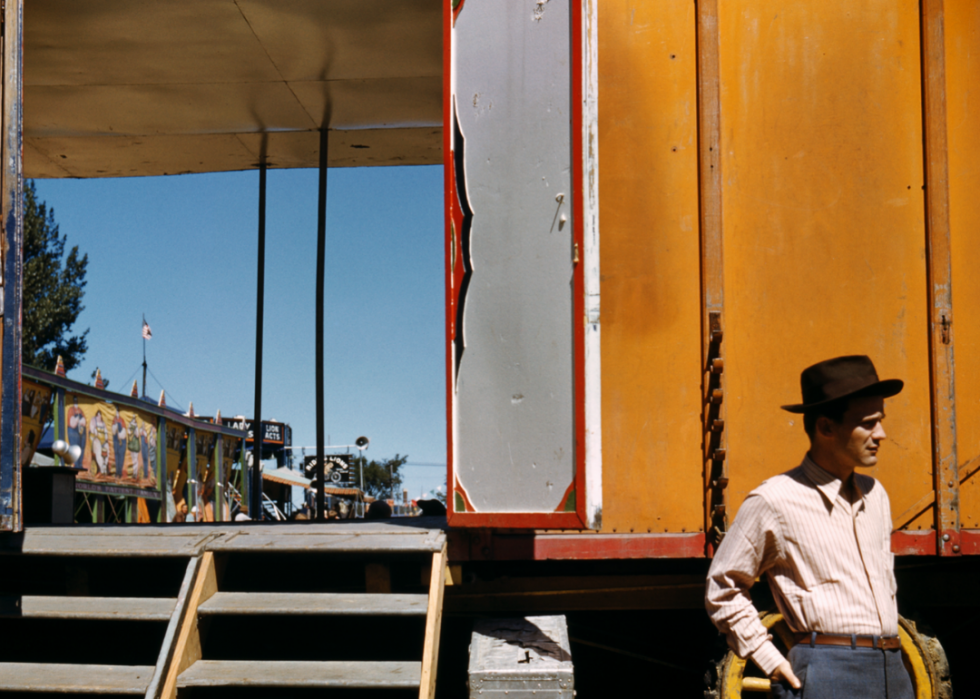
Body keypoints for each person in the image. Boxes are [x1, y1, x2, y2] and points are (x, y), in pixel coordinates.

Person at [706, 355, 913, 699]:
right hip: (827, 671)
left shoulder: (877, 496)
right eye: (869, 423)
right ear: (826, 428)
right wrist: (769, 657)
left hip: (894, 668)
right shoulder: (774, 500)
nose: (882, 434)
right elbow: (723, 589)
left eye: (881, 421)